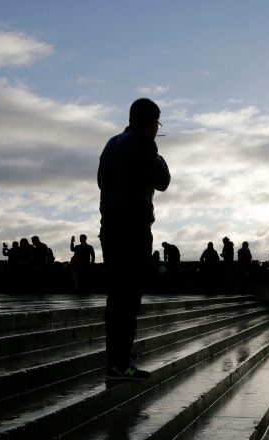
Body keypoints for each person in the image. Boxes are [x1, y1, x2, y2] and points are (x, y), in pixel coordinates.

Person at [98, 98, 171, 380]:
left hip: (110, 226)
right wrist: (159, 157)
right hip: (134, 227)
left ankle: (116, 357)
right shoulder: (144, 144)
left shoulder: (111, 144)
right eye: (157, 124)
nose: (157, 129)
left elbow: (101, 181)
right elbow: (162, 181)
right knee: (129, 297)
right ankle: (120, 362)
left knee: (117, 295)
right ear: (150, 123)